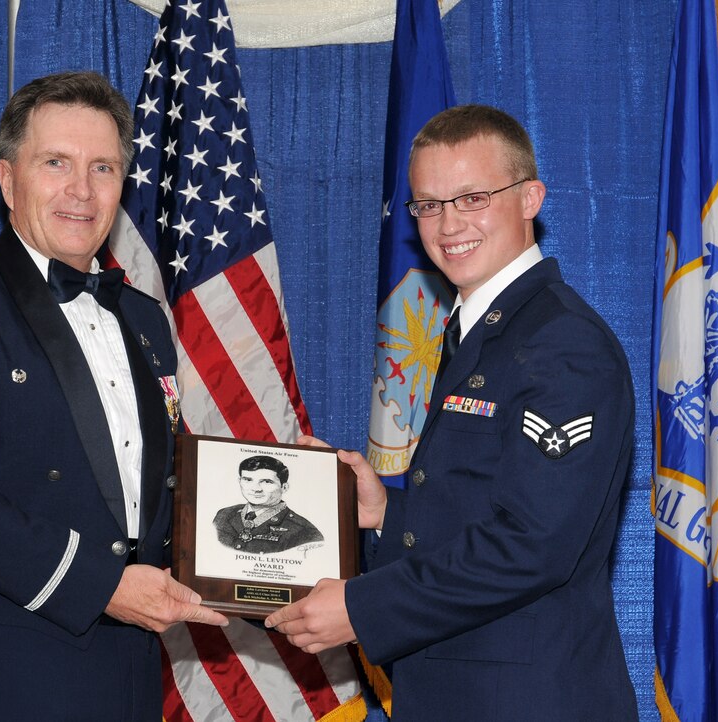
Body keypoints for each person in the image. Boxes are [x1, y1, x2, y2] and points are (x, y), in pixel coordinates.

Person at [266, 105, 638, 720]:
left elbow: (533, 546)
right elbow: (480, 503)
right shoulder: (480, 329)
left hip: (528, 702)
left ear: (530, 199)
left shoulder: (564, 346)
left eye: (472, 197)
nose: (448, 224)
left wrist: (365, 609)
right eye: (429, 204)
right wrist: (384, 512)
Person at [0, 71, 227, 721]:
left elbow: (159, 493)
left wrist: (270, 526)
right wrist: (102, 587)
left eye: (103, 168)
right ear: (8, 181)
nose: (81, 191)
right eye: (56, 163)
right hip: (4, 676)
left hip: (129, 675)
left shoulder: (146, 319)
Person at [212, 455, 324, 553]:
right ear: (239, 481)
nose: (256, 489)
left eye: (266, 482)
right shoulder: (224, 515)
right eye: (248, 480)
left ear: (284, 487)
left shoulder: (305, 531)